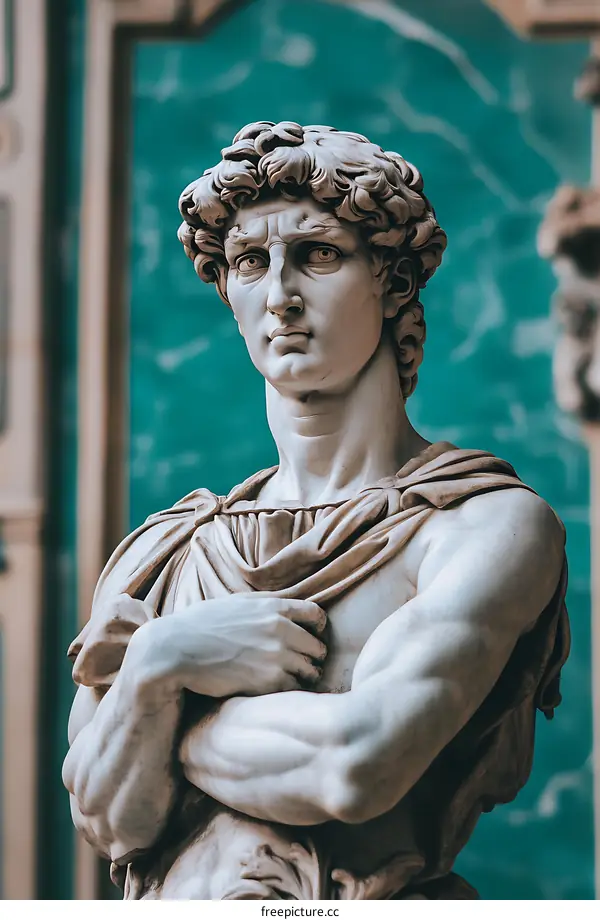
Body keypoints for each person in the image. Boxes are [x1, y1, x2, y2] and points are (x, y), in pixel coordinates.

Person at [63, 122, 569, 900]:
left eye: (319, 254)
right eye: (249, 263)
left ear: (394, 282)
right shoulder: (163, 553)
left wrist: (159, 714)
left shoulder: (482, 525)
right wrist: (162, 662)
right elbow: (110, 822)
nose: (280, 297)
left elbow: (353, 766)